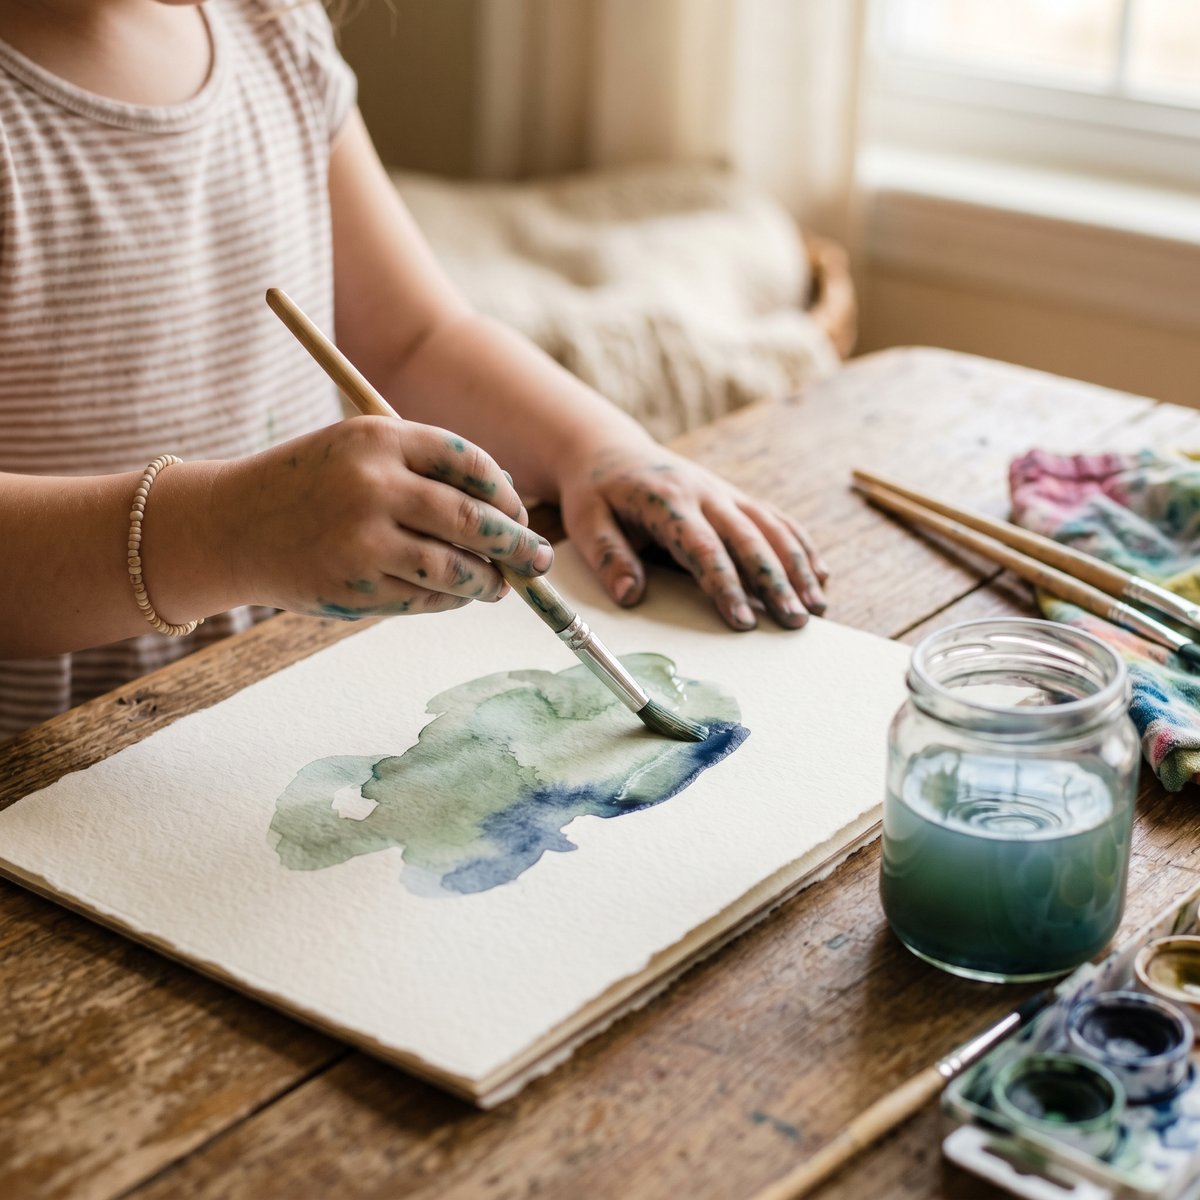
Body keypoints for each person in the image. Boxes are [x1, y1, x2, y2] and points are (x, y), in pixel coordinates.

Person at [0, 0, 828, 742]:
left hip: (271, 708)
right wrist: (229, 531)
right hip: (45, 764)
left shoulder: (271, 27)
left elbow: (414, 338)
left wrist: (598, 445)